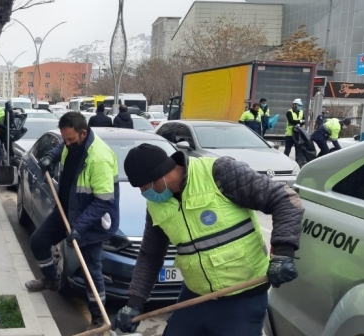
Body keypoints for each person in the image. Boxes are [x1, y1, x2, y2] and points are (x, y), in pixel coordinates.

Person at [114, 144, 304, 336]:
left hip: (242, 298)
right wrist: (134, 303)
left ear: (159, 176)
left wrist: (283, 252)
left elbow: (284, 200)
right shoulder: (156, 204)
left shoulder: (219, 173)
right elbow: (150, 255)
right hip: (195, 296)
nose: (143, 192)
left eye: (144, 186)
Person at [25, 112, 120, 333]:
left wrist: (79, 227)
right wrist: (50, 157)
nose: (66, 143)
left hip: (92, 220)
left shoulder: (100, 158)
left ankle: (98, 318)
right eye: (64, 139)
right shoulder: (71, 143)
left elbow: (104, 202)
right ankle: (52, 279)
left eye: (70, 140)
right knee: (38, 241)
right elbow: (61, 148)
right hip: (67, 209)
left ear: (83, 133)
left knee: (90, 270)